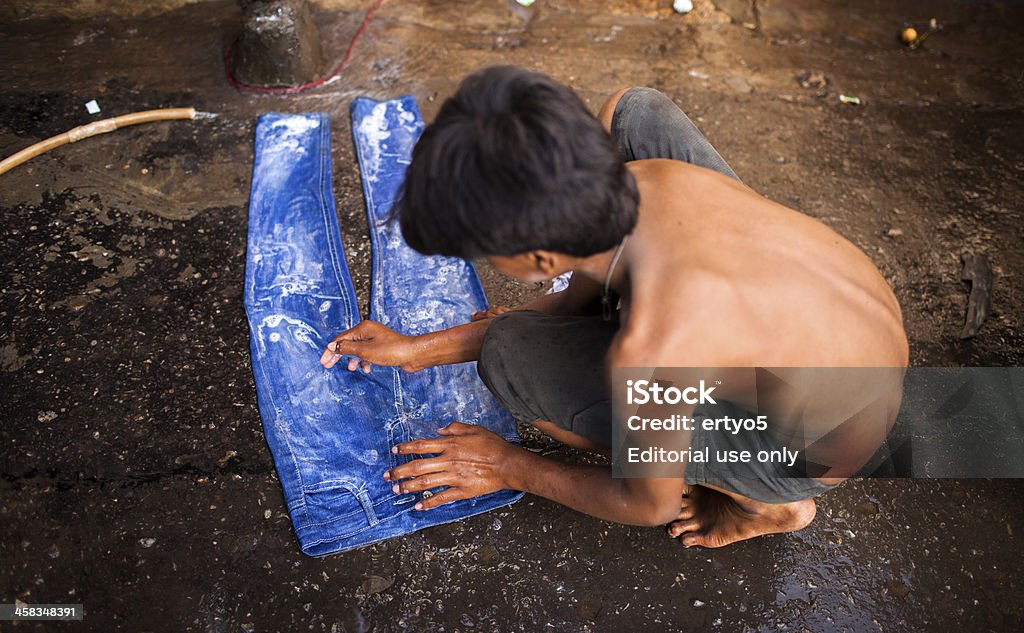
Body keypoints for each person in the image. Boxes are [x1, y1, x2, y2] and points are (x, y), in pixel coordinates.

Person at [320, 66, 908, 548]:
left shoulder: (652, 352)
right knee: (636, 110)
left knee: (509, 355)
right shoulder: (648, 174)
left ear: (540, 256)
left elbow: (646, 503)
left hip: (818, 443)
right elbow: (587, 270)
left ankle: (768, 503)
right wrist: (420, 351)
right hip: (856, 338)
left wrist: (506, 466)